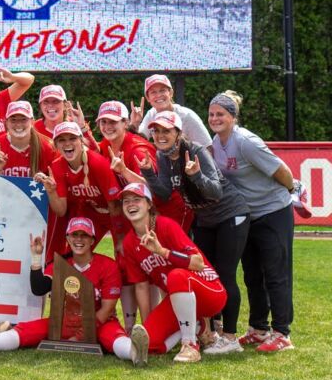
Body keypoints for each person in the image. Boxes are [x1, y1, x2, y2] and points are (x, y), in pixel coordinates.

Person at [0, 217, 149, 367]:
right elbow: (39, 288)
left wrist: (80, 337)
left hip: (99, 321)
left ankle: (134, 353)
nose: (79, 239)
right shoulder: (61, 264)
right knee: (25, 331)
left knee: (113, 336)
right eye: (74, 235)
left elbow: (106, 309)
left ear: (92, 239)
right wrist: (36, 258)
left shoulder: (107, 266)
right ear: (67, 238)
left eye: (84, 235)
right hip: (63, 322)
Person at [138, 111, 250, 354]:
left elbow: (216, 192)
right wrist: (148, 172)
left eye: (166, 130)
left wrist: (196, 175)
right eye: (156, 131)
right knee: (209, 274)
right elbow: (166, 193)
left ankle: (230, 338)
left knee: (226, 273)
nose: (160, 135)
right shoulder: (162, 156)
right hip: (206, 220)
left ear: (179, 133)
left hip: (231, 214)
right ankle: (215, 332)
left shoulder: (196, 151)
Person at [209, 91, 296, 353]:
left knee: (276, 274)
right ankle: (259, 329)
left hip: (273, 211)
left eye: (221, 114)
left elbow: (282, 170)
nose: (215, 119)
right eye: (212, 114)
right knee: (252, 275)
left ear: (233, 117)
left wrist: (291, 190)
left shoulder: (246, 141)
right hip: (247, 215)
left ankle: (282, 333)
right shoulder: (216, 141)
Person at [120, 183, 226, 363]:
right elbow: (141, 286)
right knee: (150, 343)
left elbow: (198, 264)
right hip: (179, 301)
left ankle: (190, 344)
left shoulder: (166, 226)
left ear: (148, 204)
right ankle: (198, 326)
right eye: (126, 201)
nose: (131, 204)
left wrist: (162, 251)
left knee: (175, 276)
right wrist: (147, 327)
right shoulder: (130, 243)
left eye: (137, 200)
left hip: (210, 292)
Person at [97, 100, 192, 232]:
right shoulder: (107, 144)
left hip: (168, 210)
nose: (107, 126)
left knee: (171, 251)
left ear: (125, 123)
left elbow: (150, 188)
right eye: (103, 122)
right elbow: (91, 152)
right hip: (144, 209)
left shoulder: (138, 151)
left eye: (113, 122)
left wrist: (124, 171)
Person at [35, 122, 124, 262]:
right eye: (62, 140)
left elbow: (115, 205)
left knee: (123, 254)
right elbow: (61, 211)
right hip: (90, 212)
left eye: (72, 138)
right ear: (56, 145)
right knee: (75, 254)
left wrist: (119, 238)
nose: (67, 144)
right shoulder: (57, 166)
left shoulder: (97, 163)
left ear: (81, 140)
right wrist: (51, 192)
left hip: (113, 213)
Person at [129, 74, 212, 147]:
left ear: (171, 93)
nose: (158, 95)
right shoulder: (151, 114)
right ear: (148, 98)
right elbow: (139, 142)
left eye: (162, 90)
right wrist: (134, 124)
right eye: (153, 92)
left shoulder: (187, 115)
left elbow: (207, 147)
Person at [0, 101, 57, 177]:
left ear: (32, 121)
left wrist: (45, 180)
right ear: (6, 122)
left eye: (23, 119)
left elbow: (57, 183)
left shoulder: (48, 146)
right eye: (13, 120)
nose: (18, 124)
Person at [33, 85, 101, 149]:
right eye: (46, 102)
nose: (50, 105)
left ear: (65, 105)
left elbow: (95, 152)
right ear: (40, 106)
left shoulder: (76, 124)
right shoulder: (34, 128)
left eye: (56, 101)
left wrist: (82, 127)